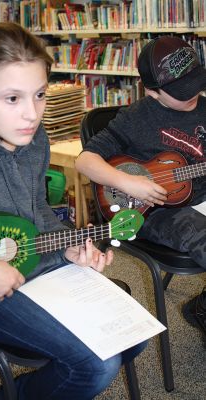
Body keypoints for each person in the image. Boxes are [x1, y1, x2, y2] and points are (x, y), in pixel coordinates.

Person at [0, 22, 146, 400]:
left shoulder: (33, 139)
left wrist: (64, 248)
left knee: (131, 335)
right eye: (12, 99)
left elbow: (35, 207)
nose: (32, 115)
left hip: (29, 261)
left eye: (39, 95)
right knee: (96, 365)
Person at [76, 35, 206, 338]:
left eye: (196, 83)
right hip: (153, 211)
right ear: (151, 91)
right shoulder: (137, 117)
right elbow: (85, 161)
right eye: (179, 91)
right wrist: (128, 182)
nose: (192, 94)